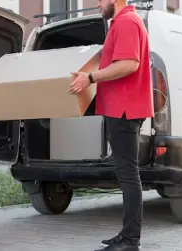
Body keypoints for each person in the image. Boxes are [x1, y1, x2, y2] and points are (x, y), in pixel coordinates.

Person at [68, 0, 154, 250]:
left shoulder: (127, 21)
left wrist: (90, 77)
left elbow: (130, 64)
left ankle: (130, 240)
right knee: (126, 173)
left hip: (125, 109)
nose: (97, 3)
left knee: (128, 174)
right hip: (121, 108)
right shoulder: (123, 22)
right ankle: (128, 235)